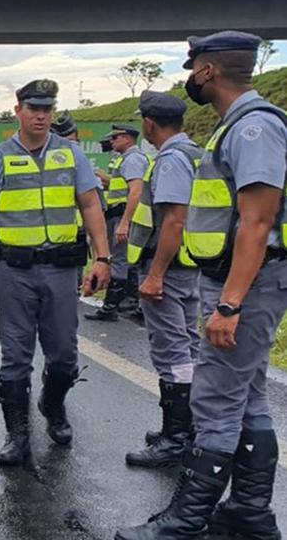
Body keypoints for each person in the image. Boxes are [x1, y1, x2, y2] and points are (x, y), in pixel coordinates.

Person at [116, 31, 287, 540]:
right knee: (247, 397)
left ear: (209, 70)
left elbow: (258, 221)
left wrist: (230, 306)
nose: (190, 77)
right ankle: (251, 513)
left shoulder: (254, 128)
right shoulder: (234, 126)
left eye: (193, 67)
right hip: (239, 280)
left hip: (248, 286)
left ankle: (185, 522)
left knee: (213, 400)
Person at [0, 79, 111, 468]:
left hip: (62, 270)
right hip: (14, 272)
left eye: (48, 108)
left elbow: (91, 205)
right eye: (33, 108)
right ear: (19, 111)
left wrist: (103, 257)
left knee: (63, 356)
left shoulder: (72, 155)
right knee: (15, 358)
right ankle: (17, 435)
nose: (42, 115)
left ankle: (53, 404)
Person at [119, 91, 205, 470]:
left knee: (172, 352)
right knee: (190, 346)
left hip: (168, 268)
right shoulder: (196, 153)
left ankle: (176, 438)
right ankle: (192, 427)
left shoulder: (170, 160)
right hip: (191, 266)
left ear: (149, 123)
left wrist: (155, 275)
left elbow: (174, 219)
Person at [87, 124, 150, 322]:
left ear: (127, 138)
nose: (112, 142)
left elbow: (136, 191)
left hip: (124, 215)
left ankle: (112, 306)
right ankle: (125, 303)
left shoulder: (133, 159)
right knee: (124, 259)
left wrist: (125, 222)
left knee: (122, 259)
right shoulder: (127, 159)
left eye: (115, 138)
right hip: (119, 214)